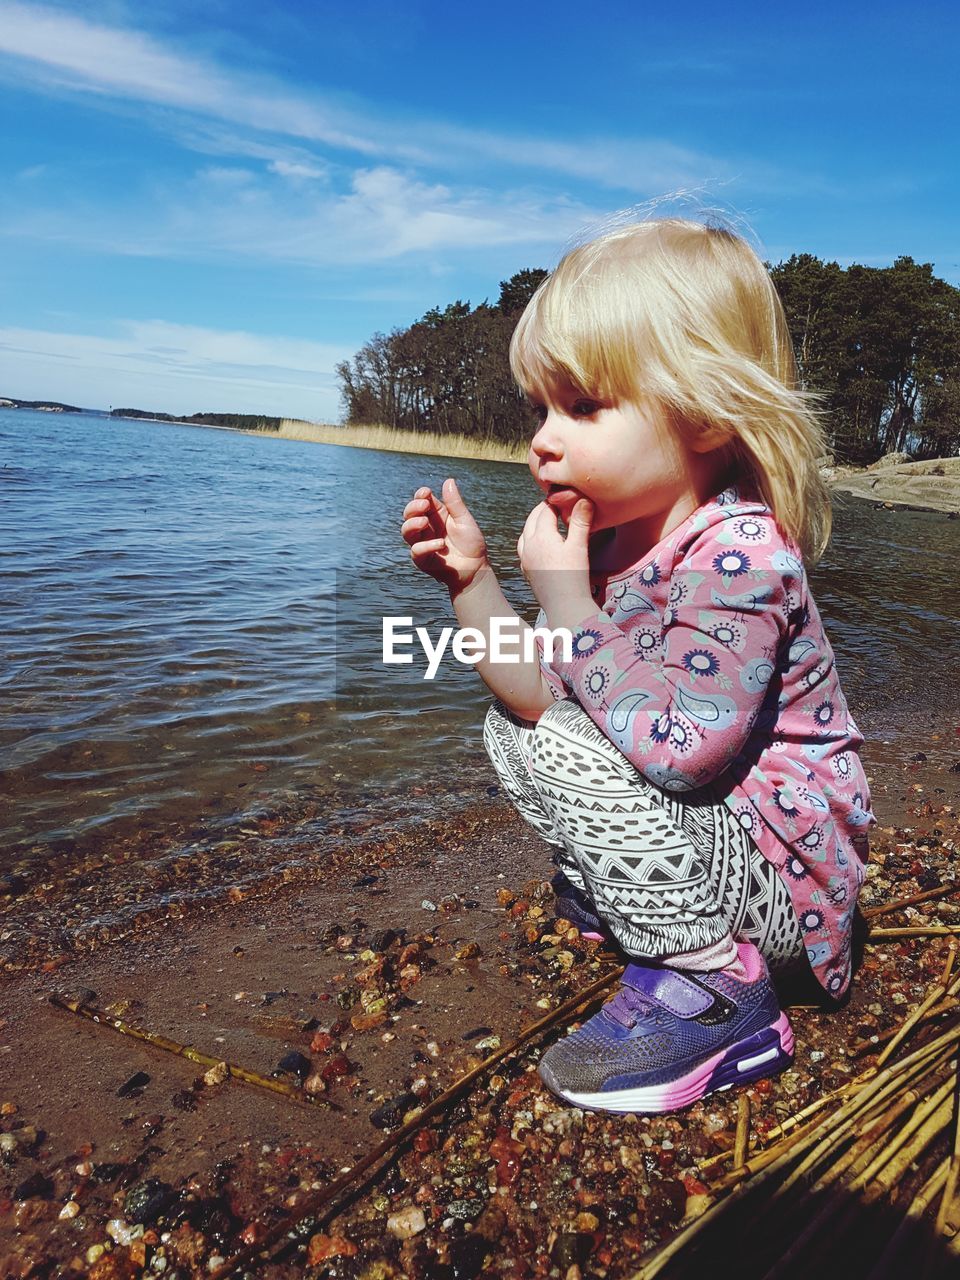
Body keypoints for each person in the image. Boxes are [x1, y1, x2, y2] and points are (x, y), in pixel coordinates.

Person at [399, 216, 874, 1114]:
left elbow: (679, 748)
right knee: (516, 729)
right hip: (722, 842)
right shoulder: (616, 545)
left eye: (582, 407)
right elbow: (541, 695)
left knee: (579, 742)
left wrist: (571, 604)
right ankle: (642, 892)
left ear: (703, 416)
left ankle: (718, 990)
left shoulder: (741, 554)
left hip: (792, 887)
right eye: (540, 408)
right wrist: (473, 582)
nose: (543, 438)